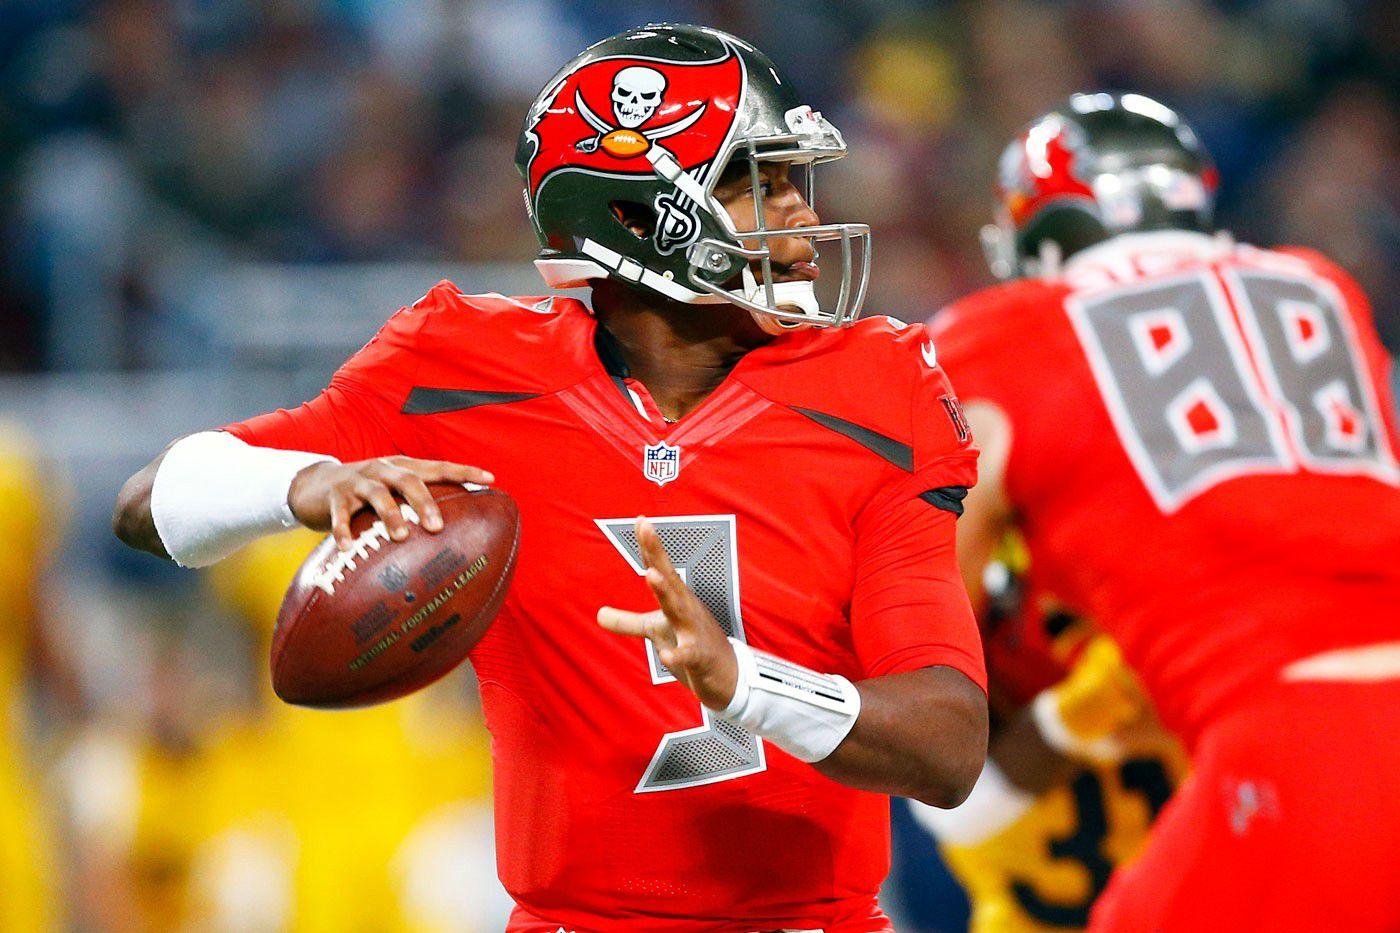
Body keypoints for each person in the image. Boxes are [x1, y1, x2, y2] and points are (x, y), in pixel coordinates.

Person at [113, 24, 988, 933]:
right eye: (757, 185)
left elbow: (950, 740)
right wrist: (302, 481)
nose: (801, 217)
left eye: (794, 181)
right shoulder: (458, 365)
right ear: (638, 218)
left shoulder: (878, 389)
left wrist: (747, 685)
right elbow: (147, 504)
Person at [931, 91, 1400, 931]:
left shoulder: (999, 335)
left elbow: (924, 635)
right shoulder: (1321, 284)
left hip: (1293, 736)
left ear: (1041, 231)